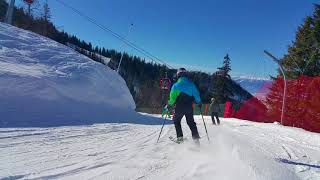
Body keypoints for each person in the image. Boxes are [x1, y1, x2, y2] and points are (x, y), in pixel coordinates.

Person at [165, 68, 202, 143]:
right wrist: (199, 102)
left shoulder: (175, 86)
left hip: (179, 107)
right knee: (191, 123)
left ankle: (180, 138)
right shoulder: (192, 85)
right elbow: (197, 95)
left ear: (178, 75)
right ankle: (196, 141)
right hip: (189, 107)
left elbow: (172, 98)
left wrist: (169, 105)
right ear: (186, 75)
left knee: (177, 121)